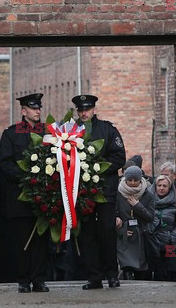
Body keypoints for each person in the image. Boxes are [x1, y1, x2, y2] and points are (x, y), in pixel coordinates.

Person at [0, 93, 50, 293]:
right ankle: (23, 279)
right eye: (33, 108)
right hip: (20, 196)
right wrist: (27, 177)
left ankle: (39, 278)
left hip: (44, 195)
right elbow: (5, 163)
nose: (37, 111)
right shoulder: (12, 133)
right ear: (24, 111)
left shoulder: (47, 131)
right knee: (23, 240)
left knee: (41, 241)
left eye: (38, 108)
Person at [72, 94, 126, 290]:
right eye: (80, 110)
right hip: (82, 192)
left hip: (105, 190)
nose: (83, 113)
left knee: (106, 232)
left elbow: (119, 157)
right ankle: (94, 277)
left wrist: (97, 168)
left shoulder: (107, 129)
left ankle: (112, 275)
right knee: (87, 235)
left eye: (86, 109)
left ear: (94, 109)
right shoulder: (71, 131)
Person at [115, 165, 155, 280]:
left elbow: (150, 217)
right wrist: (119, 226)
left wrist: (137, 206)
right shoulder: (119, 193)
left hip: (141, 235)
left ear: (140, 179)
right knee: (126, 265)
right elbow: (114, 213)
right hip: (124, 235)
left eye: (135, 180)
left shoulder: (147, 195)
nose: (132, 183)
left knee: (140, 267)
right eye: (129, 180)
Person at [150, 174, 176, 281]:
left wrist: (172, 235)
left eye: (164, 186)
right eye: (159, 185)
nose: (161, 188)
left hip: (170, 242)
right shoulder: (149, 201)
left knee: (171, 273)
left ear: (169, 188)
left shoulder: (175, 203)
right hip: (154, 242)